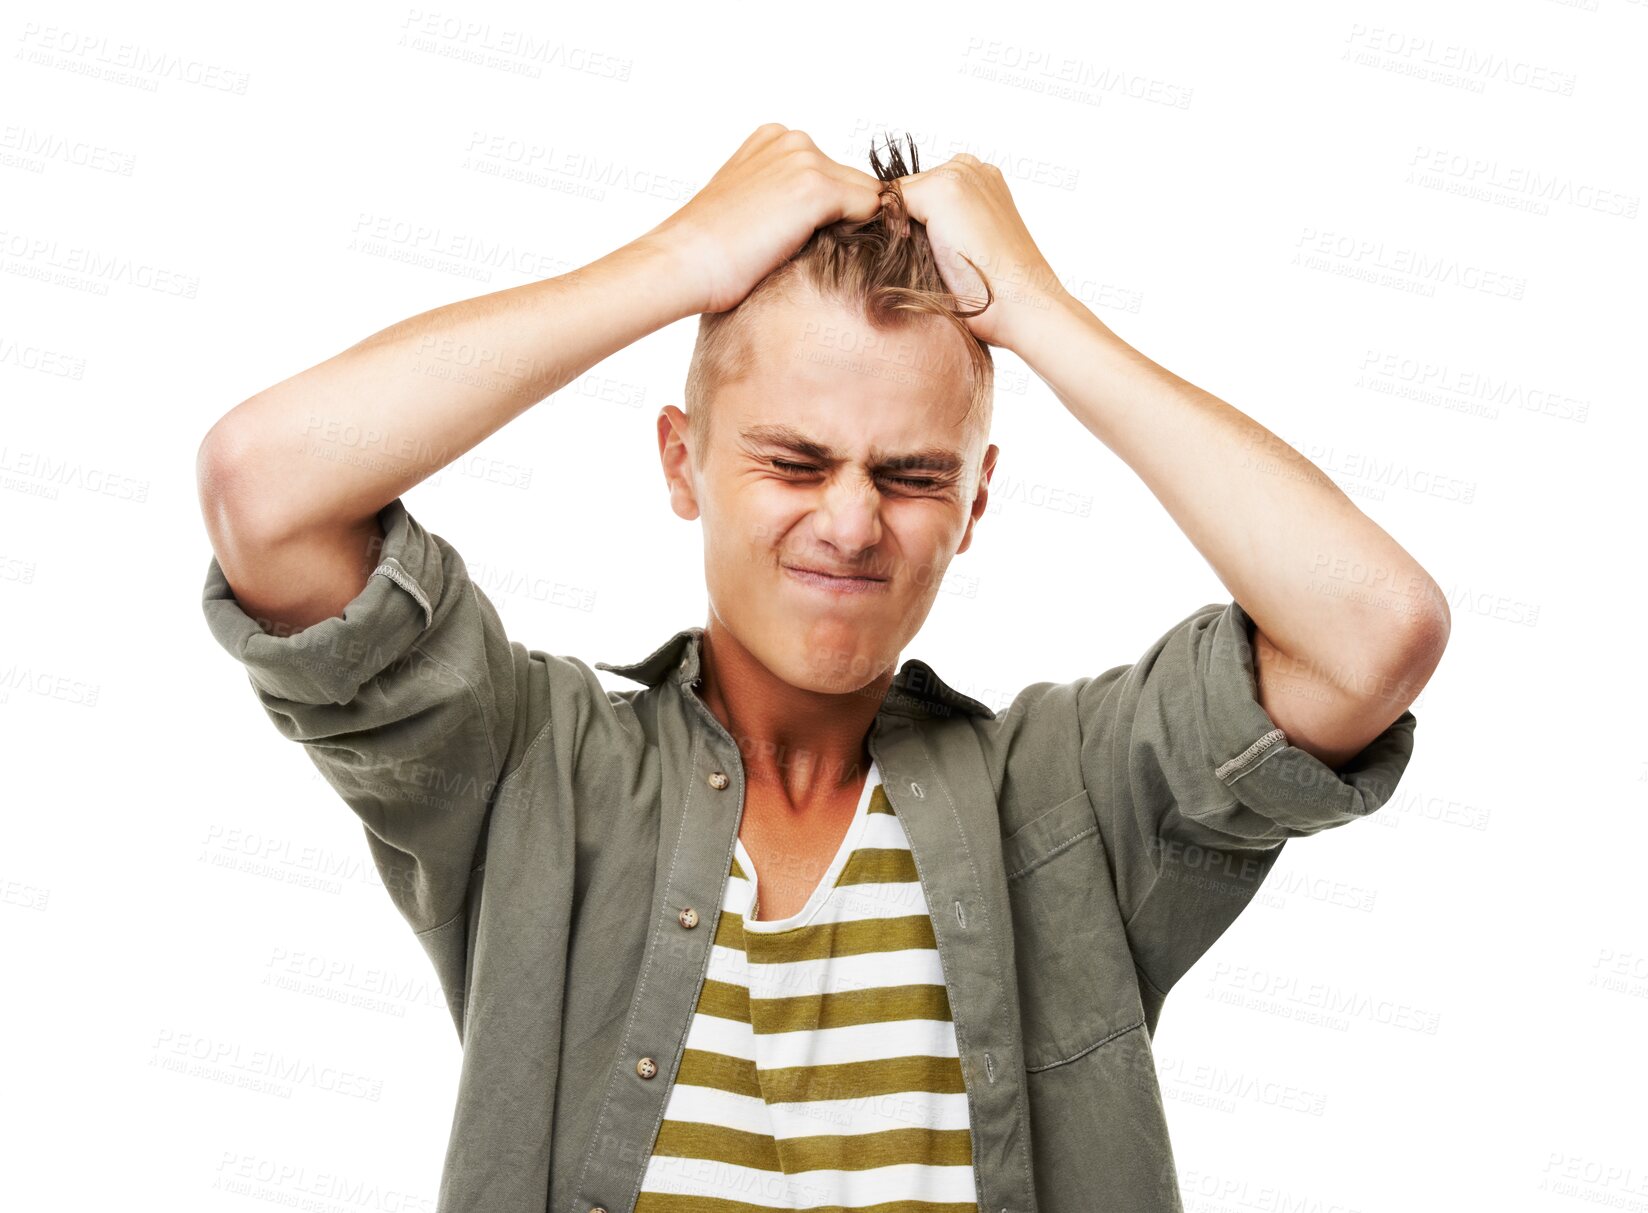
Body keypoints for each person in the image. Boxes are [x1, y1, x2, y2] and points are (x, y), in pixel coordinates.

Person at [198, 124, 1446, 1213]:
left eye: (911, 477)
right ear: (681, 463)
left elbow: (1373, 630)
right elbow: (266, 489)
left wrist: (1042, 314)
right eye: (794, 462)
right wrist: (676, 262)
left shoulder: (1067, 802)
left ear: (974, 503)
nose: (851, 524)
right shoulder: (528, 767)